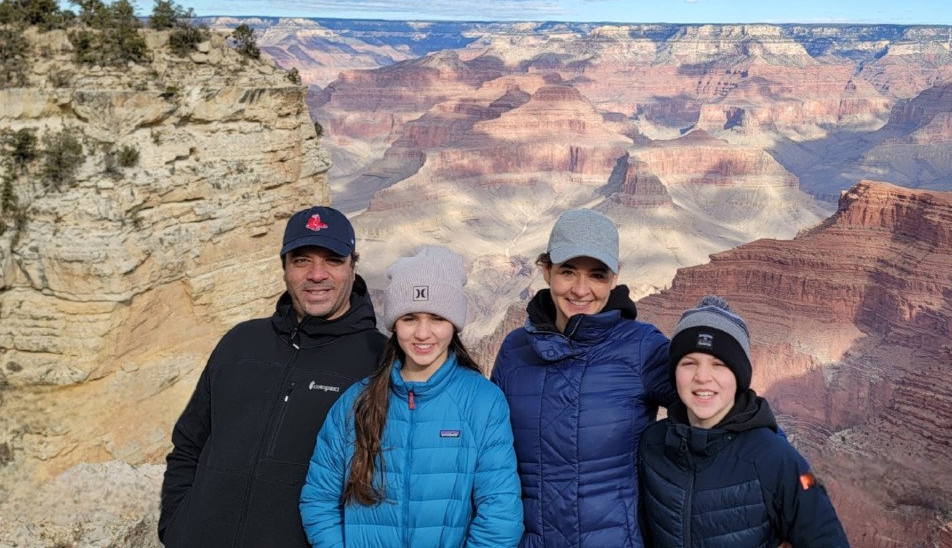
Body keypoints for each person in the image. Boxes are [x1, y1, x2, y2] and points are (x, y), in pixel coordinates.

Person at [159, 206, 386, 548]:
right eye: (301, 260)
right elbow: (188, 446)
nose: (317, 274)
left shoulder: (378, 359)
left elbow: (386, 481)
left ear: (353, 266)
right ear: (284, 269)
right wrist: (177, 527)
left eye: (333, 260)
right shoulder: (240, 343)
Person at [300, 245, 524, 548]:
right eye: (409, 319)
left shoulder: (483, 402)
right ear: (394, 324)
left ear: (454, 324)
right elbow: (319, 500)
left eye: (437, 318)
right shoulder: (356, 403)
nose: (422, 333)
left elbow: (500, 514)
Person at [490, 208, 675, 548]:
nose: (580, 289)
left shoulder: (641, 347)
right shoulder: (514, 350)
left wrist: (785, 482)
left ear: (615, 278)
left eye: (597, 275)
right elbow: (487, 458)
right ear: (547, 272)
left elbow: (715, 409)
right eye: (568, 272)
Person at [638, 295, 850, 547]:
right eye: (689, 363)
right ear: (674, 372)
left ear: (739, 376)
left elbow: (825, 537)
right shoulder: (652, 446)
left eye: (719, 364)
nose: (702, 376)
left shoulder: (777, 459)